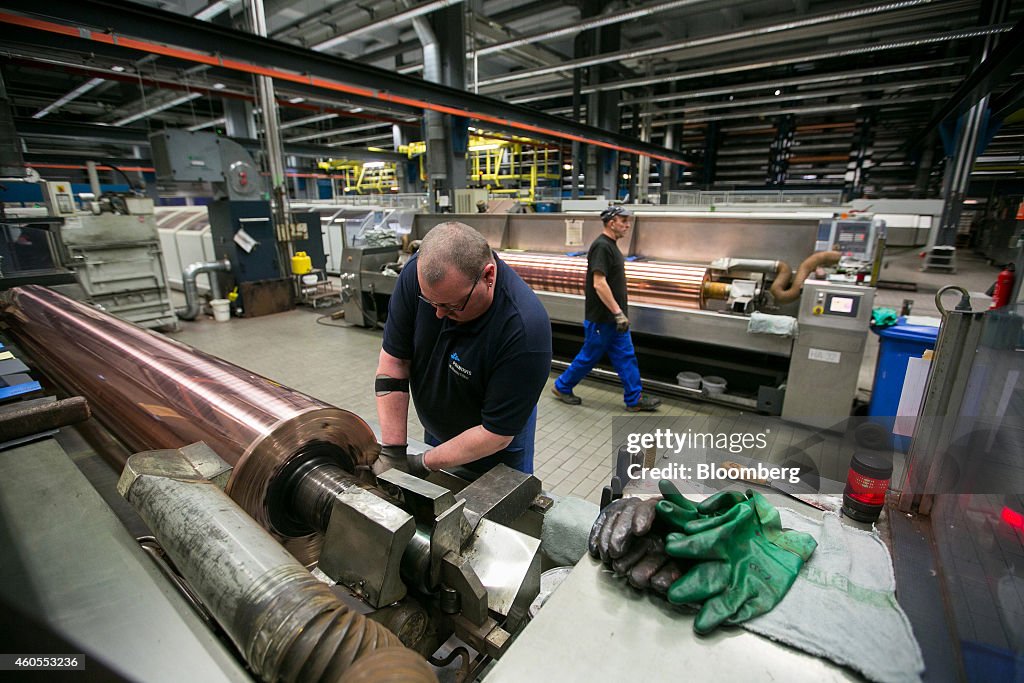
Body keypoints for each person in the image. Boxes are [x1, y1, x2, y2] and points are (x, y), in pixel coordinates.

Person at [374, 220, 552, 478]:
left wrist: (421, 464)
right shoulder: (420, 274)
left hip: (496, 450)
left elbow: (495, 434)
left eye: (452, 306)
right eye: (430, 302)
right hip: (437, 436)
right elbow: (394, 362)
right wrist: (393, 453)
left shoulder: (524, 330)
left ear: (488, 276)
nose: (438, 313)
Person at [551, 205, 661, 411]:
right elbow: (599, 283)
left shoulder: (611, 245)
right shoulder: (602, 246)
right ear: (611, 222)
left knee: (626, 356)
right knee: (589, 356)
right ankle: (562, 386)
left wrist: (619, 314)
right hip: (603, 318)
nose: (628, 225)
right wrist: (618, 312)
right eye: (623, 221)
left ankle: (634, 398)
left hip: (613, 319)